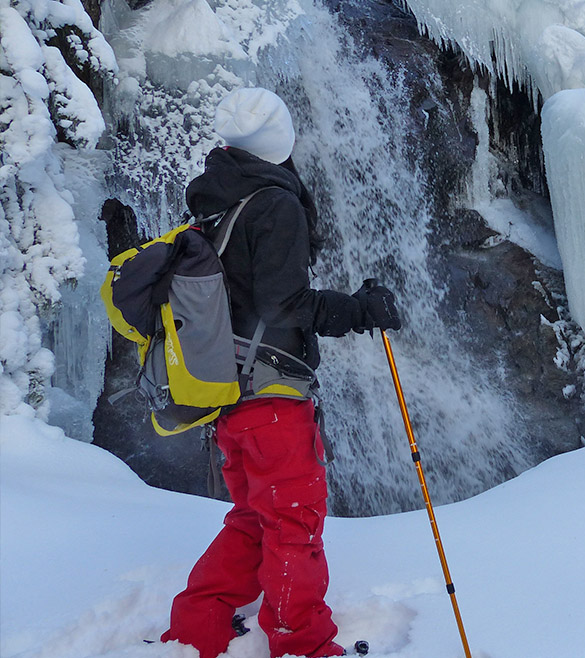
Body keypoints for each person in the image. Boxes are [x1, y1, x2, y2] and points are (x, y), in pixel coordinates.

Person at [160, 87, 400, 658]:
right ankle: (302, 644)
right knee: (293, 523)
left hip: (231, 392)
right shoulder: (274, 204)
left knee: (253, 516)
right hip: (272, 394)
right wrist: (360, 309)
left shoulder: (216, 202)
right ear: (280, 140)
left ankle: (197, 627)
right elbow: (285, 304)